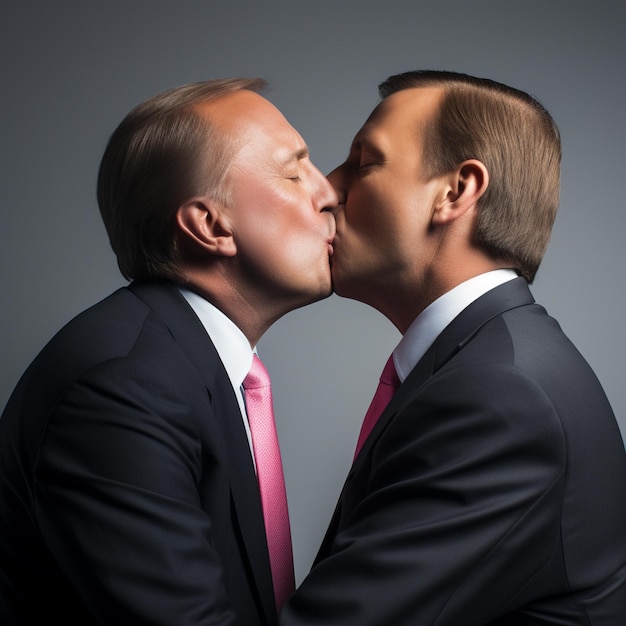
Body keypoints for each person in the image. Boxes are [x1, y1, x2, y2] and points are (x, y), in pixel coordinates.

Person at [280, 70, 626, 624]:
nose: (326, 187)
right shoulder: (493, 365)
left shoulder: (498, 395)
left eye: (365, 162)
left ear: (455, 192)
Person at [0, 78, 337, 625]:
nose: (328, 193)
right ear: (210, 225)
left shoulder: (188, 363)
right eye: (295, 172)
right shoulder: (121, 388)